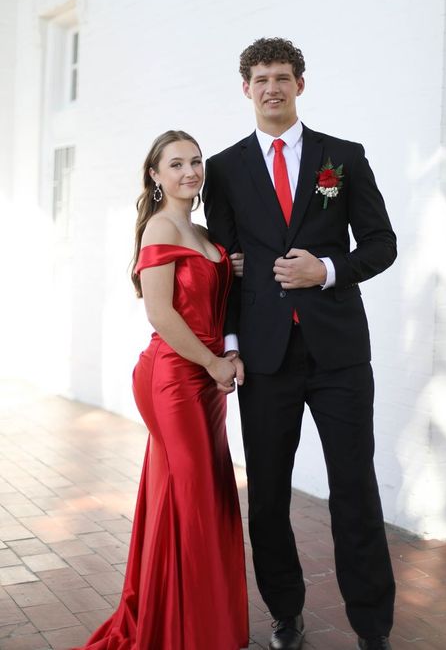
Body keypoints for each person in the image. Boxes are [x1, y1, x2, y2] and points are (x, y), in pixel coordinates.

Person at [203, 38, 396, 650]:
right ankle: (286, 612)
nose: (271, 88)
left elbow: (381, 243)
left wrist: (328, 270)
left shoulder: (343, 157)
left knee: (355, 492)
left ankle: (372, 626)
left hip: (339, 353)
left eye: (282, 77)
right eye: (260, 79)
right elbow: (226, 270)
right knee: (267, 495)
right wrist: (231, 344)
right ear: (245, 89)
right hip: (264, 358)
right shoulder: (226, 170)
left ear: (301, 84)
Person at [73, 130, 249, 650]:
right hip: (173, 377)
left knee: (199, 494)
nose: (190, 172)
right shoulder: (159, 229)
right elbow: (160, 313)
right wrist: (215, 362)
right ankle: (180, 631)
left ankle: (200, 623)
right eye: (176, 164)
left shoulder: (198, 228)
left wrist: (227, 267)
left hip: (207, 377)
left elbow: (208, 292)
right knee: (192, 498)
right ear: (155, 175)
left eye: (195, 162)